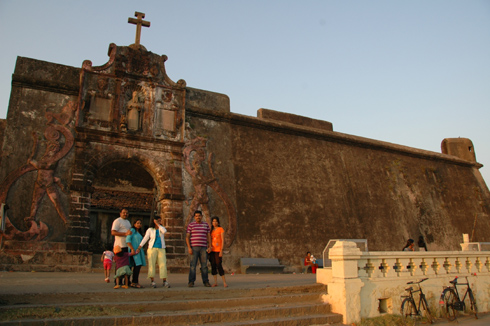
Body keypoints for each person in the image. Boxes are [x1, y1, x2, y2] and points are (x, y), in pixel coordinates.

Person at [137, 217, 170, 288]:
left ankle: (164, 281)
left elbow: (164, 231)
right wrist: (140, 246)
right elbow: (146, 238)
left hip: (161, 248)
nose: (159, 221)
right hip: (152, 249)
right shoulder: (150, 230)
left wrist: (158, 225)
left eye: (160, 220)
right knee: (152, 264)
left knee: (163, 264)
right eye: (158, 220)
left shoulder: (161, 229)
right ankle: (152, 281)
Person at [186, 210, 212, 287]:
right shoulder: (191, 225)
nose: (198, 217)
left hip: (203, 247)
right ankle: (191, 281)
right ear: (194, 217)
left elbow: (209, 236)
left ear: (202, 216)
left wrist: (210, 246)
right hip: (194, 248)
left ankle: (206, 281)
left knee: (204, 266)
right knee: (193, 266)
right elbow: (187, 237)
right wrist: (189, 247)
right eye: (196, 216)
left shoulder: (205, 225)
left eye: (199, 216)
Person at [111, 208, 132, 285]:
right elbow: (113, 232)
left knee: (126, 264)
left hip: (127, 245)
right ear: (120, 213)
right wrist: (124, 234)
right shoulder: (117, 221)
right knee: (119, 264)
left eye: (126, 213)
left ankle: (126, 281)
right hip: (119, 246)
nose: (125, 214)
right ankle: (117, 281)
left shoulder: (128, 222)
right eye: (123, 213)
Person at [126, 219, 146, 288]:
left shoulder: (139, 232)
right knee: (135, 266)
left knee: (136, 266)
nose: (139, 224)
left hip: (138, 251)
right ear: (134, 224)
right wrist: (132, 249)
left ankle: (133, 281)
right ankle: (133, 282)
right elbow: (128, 240)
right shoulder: (132, 230)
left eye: (140, 223)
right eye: (137, 223)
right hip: (133, 251)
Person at [209, 216, 228, 287]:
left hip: (218, 250)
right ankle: (215, 282)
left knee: (219, 264)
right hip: (212, 250)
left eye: (216, 221)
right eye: (213, 221)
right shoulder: (211, 230)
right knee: (213, 265)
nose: (214, 222)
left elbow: (222, 240)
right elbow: (209, 240)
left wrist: (221, 250)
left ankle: (224, 282)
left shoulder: (221, 229)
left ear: (218, 222)